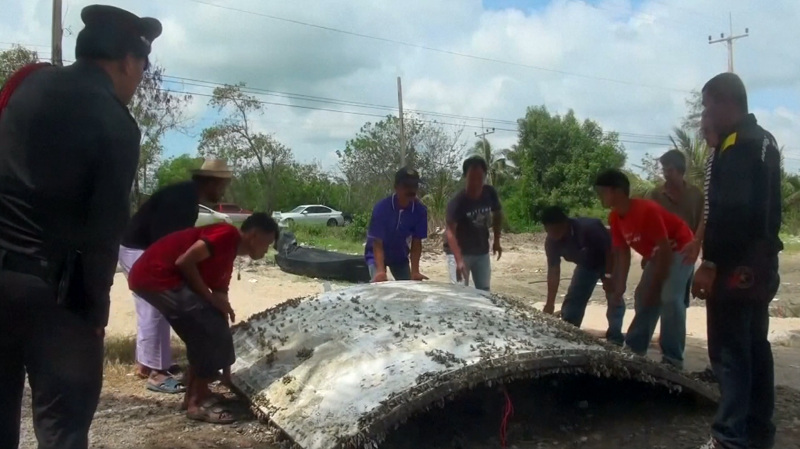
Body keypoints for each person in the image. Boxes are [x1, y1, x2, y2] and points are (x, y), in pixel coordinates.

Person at [0, 5, 160, 449]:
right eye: (142, 68)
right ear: (127, 61)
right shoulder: (116, 122)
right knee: (62, 429)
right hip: (58, 299)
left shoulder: (27, 84)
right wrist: (95, 314)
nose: (139, 79)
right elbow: (104, 230)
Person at [694, 73, 782, 449]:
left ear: (726, 102)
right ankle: (758, 433)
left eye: (707, 106)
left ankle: (728, 437)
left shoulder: (736, 144)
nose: (704, 114)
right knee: (755, 346)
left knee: (729, 351)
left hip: (735, 264)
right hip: (762, 262)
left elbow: (730, 208)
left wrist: (711, 263)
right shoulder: (766, 140)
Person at [127, 213, 279, 424]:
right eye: (267, 244)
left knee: (210, 325)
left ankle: (196, 394)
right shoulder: (227, 234)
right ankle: (197, 402)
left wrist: (226, 364)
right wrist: (209, 299)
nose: (266, 250)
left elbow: (220, 302)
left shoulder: (227, 257)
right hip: (156, 275)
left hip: (162, 279)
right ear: (254, 236)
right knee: (204, 329)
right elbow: (185, 261)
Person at [118, 159, 232, 393]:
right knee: (158, 307)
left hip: (141, 247)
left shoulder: (187, 196)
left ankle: (146, 364)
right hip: (140, 249)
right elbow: (164, 242)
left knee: (152, 307)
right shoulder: (182, 201)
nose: (222, 191)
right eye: (222, 186)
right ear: (212, 182)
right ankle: (157, 374)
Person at [594, 169, 694, 369]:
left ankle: (673, 359)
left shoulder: (646, 210)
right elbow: (622, 254)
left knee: (669, 298)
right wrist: (619, 287)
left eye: (602, 192)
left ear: (617, 191)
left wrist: (655, 287)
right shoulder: (615, 218)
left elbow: (666, 251)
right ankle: (634, 349)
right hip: (658, 254)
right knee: (643, 297)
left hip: (681, 248)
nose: (600, 196)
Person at [541, 206, 625, 345]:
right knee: (574, 297)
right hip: (586, 265)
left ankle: (615, 337)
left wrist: (608, 276)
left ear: (565, 223)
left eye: (556, 230)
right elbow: (554, 272)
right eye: (549, 231)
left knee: (614, 297)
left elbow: (610, 251)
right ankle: (570, 331)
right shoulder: (551, 242)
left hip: (610, 260)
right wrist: (550, 303)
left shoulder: (589, 227)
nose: (554, 235)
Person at [444, 156, 503, 291]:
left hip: (481, 250)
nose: (476, 183)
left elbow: (498, 214)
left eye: (480, 179)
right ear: (465, 177)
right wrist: (459, 260)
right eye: (472, 179)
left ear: (485, 177)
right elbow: (450, 232)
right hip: (459, 250)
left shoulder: (489, 193)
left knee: (484, 291)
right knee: (461, 292)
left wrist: (497, 241)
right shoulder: (457, 202)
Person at [364, 167, 428, 282]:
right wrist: (380, 271)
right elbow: (377, 243)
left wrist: (415, 271)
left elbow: (416, 243)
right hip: (376, 254)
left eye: (414, 186)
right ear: (396, 187)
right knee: (379, 285)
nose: (411, 190)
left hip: (399, 255)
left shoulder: (420, 211)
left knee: (408, 286)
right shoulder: (382, 208)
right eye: (406, 186)